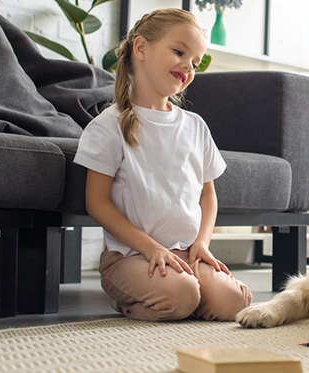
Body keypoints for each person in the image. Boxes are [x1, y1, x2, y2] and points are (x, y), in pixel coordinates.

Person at [73, 8, 251, 321]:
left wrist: (202, 244)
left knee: (233, 302)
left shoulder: (195, 126)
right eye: (179, 52)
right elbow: (97, 203)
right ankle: (146, 298)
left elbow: (207, 196)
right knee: (181, 295)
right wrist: (152, 249)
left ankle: (186, 294)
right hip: (131, 257)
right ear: (141, 48)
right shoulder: (108, 126)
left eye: (195, 62)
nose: (188, 66)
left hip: (186, 255)